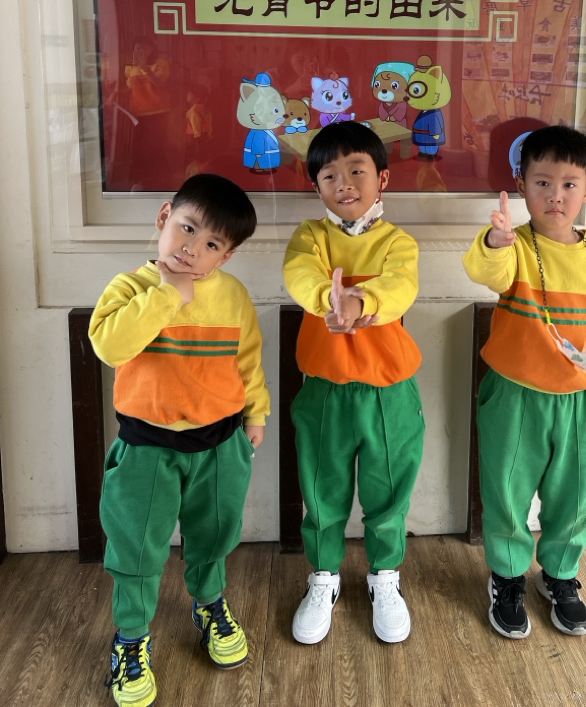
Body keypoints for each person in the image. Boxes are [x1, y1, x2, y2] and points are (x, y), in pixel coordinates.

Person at [90, 174, 269, 707]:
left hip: (220, 445)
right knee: (136, 546)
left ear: (227, 256)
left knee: (215, 532)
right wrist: (168, 294)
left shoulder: (232, 297)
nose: (193, 249)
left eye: (211, 244)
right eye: (187, 229)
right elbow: (111, 347)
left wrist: (256, 413)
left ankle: (209, 602)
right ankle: (130, 638)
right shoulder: (129, 288)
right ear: (164, 216)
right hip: (146, 448)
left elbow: (248, 361)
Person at [462, 126, 586, 640]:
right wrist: (495, 241)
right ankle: (507, 576)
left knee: (575, 495)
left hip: (580, 400)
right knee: (506, 490)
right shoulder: (514, 247)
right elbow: (486, 272)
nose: (555, 196)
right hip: (514, 395)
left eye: (568, 184)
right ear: (521, 186)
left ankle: (560, 574)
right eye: (541, 183)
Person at [283, 121, 424, 645]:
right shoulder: (310, 237)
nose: (344, 183)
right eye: (329, 175)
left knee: (389, 489)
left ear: (382, 178)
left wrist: (360, 302)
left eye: (356, 170)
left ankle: (385, 575)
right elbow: (301, 275)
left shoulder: (398, 242)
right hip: (324, 389)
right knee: (322, 489)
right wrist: (329, 299)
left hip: (389, 389)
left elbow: (400, 286)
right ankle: (323, 575)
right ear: (316, 186)